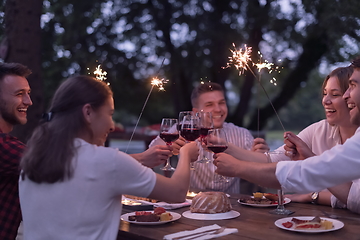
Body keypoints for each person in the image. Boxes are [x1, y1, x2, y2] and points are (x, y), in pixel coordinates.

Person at [19, 76, 198, 240]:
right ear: (88, 112)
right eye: (110, 114)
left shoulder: (34, 159)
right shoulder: (107, 161)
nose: (112, 126)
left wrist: (141, 159)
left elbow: (90, 171)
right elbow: (176, 192)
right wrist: (186, 153)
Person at [213, 57, 360, 214]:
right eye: (325, 94)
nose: (325, 100)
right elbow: (272, 160)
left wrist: (237, 167)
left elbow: (351, 196)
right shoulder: (318, 130)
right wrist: (226, 147)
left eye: (336, 94)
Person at [150, 82, 269, 194]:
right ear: (195, 112)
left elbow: (262, 172)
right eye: (209, 104)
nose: (218, 109)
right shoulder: (183, 129)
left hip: (231, 203)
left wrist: (263, 157)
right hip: (190, 202)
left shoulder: (242, 134)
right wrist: (168, 148)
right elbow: (151, 152)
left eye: (221, 103)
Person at [0, 62, 32, 240]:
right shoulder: (3, 146)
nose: (29, 101)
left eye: (28, 93)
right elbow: (64, 166)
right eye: (20, 94)